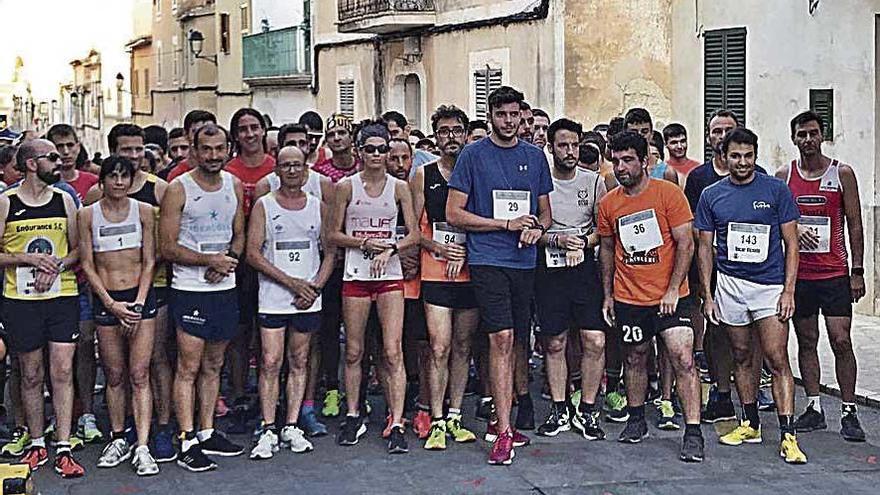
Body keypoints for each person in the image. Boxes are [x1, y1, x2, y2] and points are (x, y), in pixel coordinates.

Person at [447, 86, 552, 465]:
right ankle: (503, 430)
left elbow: (545, 213)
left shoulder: (534, 156)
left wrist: (535, 228)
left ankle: (503, 418)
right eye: (502, 115)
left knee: (516, 343)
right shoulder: (472, 155)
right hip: (488, 260)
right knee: (501, 339)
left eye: (515, 116)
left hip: (524, 262)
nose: (510, 122)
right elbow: (455, 213)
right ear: (491, 116)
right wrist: (503, 224)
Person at [696, 127, 807, 464]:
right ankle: (750, 423)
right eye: (735, 156)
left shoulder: (775, 190)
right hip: (730, 285)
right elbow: (704, 248)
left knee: (776, 357)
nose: (742, 162)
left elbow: (792, 244)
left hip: (769, 287)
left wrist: (789, 290)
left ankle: (788, 434)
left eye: (748, 156)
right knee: (741, 355)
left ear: (756, 156)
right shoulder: (711, 195)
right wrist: (708, 294)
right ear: (723, 156)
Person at [597, 130, 704, 462]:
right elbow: (607, 250)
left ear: (644, 161)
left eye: (628, 160)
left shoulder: (668, 194)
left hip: (672, 296)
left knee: (682, 356)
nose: (621, 167)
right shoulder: (609, 203)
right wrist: (608, 295)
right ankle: (636, 418)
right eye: (615, 161)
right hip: (629, 296)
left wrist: (673, 289)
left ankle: (693, 431)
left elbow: (686, 243)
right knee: (634, 357)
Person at [328, 122, 420, 454]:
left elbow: (413, 234)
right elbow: (333, 234)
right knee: (354, 350)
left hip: (389, 274)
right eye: (371, 149)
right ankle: (353, 413)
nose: (378, 155)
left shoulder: (398, 187)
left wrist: (390, 249)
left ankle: (396, 420)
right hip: (356, 274)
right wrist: (363, 241)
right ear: (359, 152)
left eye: (383, 149)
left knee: (392, 350)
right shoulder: (346, 187)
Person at [159, 124, 246, 472]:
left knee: (214, 366)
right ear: (194, 150)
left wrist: (229, 261)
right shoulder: (179, 189)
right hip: (190, 288)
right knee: (189, 367)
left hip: (223, 288)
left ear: (228, 149)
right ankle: (186, 437)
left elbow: (239, 236)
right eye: (206, 149)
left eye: (219, 149)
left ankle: (208, 431)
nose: (213, 156)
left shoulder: (234, 185)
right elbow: (167, 246)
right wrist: (208, 261)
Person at [777, 111, 867, 442]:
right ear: (793, 138)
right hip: (800, 275)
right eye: (801, 134)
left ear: (822, 135)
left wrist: (857, 271)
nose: (808, 140)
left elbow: (855, 224)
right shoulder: (784, 176)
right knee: (807, 340)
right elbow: (777, 224)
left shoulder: (841, 173)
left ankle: (849, 409)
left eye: (813, 133)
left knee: (841, 339)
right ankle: (814, 406)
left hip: (834, 274)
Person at [0, 139, 85, 477]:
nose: (60, 160)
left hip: (61, 296)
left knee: (62, 370)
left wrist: (58, 266)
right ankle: (37, 443)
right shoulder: (6, 202)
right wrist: (26, 258)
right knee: (31, 373)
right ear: (32, 164)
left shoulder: (65, 199)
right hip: (21, 300)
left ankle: (63, 445)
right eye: (51, 156)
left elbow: (79, 249)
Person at [246, 144, 336, 459]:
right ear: (277, 170)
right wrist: (291, 283)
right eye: (286, 165)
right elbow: (253, 253)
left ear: (306, 169)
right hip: (273, 298)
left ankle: (293, 424)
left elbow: (330, 253)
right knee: (271, 361)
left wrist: (315, 287)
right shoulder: (264, 206)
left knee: (300, 361)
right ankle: (268, 426)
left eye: (298, 165)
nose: (293, 171)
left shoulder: (318, 206)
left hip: (307, 299)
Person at [78, 156, 159, 476]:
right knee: (114, 374)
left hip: (139, 299)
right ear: (103, 180)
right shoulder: (88, 214)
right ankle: (117, 436)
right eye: (113, 176)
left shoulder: (143, 211)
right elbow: (87, 264)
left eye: (125, 176)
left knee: (140, 373)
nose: (119, 182)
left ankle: (142, 444)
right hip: (107, 300)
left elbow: (150, 260)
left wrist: (138, 303)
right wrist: (110, 304)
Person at [409, 105, 479, 450]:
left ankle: (455, 415)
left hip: (469, 270)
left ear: (466, 134)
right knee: (439, 346)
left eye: (456, 130)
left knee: (463, 347)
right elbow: (411, 229)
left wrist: (465, 250)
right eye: (443, 131)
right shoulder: (424, 174)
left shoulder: (476, 172)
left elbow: (483, 222)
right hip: (435, 270)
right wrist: (437, 246)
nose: (450, 137)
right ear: (435, 136)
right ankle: (435, 418)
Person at [684, 109, 761, 424]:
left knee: (751, 334)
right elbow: (690, 223)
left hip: (753, 270)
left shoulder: (760, 175)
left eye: (728, 130)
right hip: (713, 266)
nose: (722, 136)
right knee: (717, 330)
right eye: (717, 131)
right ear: (709, 136)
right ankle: (721, 390)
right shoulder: (700, 178)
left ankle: (753, 396)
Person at [533, 118, 608, 441]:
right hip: (549, 270)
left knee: (595, 340)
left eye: (575, 145)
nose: (570, 151)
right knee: (555, 342)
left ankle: (588, 409)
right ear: (551, 147)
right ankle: (559, 407)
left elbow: (602, 230)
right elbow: (533, 229)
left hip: (584, 270)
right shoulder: (541, 180)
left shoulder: (594, 182)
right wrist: (556, 241)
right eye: (563, 145)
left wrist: (583, 242)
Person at [44, 124, 103, 445]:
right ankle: (61, 412)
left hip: (82, 280)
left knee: (83, 347)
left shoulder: (92, 183)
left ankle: (88, 413)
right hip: (46, 286)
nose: (65, 153)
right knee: (55, 354)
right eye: (58, 148)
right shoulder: (37, 186)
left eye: (69, 146)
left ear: (79, 147)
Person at [225, 108, 276, 433]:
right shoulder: (229, 170)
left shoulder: (277, 167)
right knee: (240, 333)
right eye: (242, 129)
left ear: (263, 130)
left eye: (254, 127)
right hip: (238, 262)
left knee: (270, 334)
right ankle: (241, 392)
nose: (249, 134)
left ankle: (271, 393)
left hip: (275, 260)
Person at [166, 110, 217, 182]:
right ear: (185, 134)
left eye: (208, 131)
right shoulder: (177, 174)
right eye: (196, 132)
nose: (202, 136)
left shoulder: (226, 171)